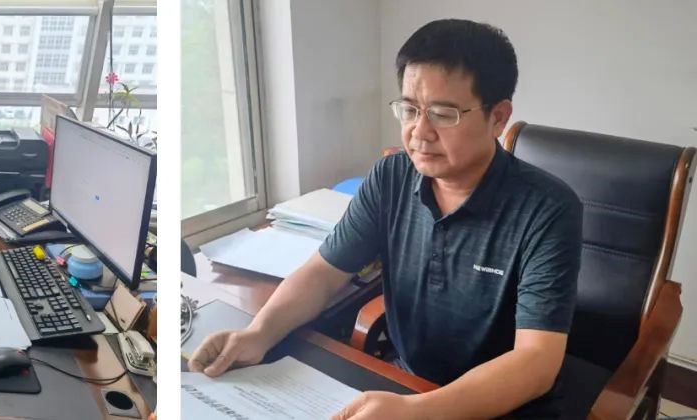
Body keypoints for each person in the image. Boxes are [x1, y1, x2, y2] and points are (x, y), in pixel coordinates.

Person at [188, 19, 583, 419]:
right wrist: (259, 332)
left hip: (500, 404)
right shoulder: (391, 177)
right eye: (410, 110)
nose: (419, 132)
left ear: (498, 117)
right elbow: (323, 274)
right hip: (407, 385)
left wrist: (418, 412)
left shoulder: (548, 209)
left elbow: (536, 362)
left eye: (443, 114)